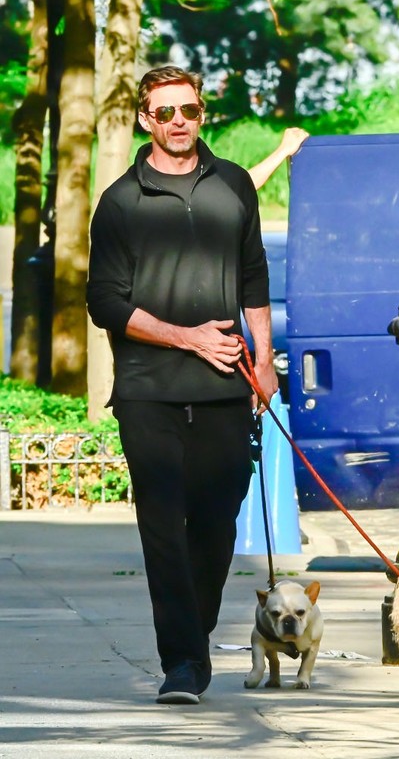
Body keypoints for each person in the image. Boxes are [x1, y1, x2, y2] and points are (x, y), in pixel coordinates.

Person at [87, 65, 278, 705]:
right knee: (164, 527)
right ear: (146, 118)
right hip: (149, 391)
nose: (177, 122)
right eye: (164, 112)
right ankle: (184, 663)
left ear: (201, 114)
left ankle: (192, 640)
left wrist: (265, 360)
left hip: (227, 385)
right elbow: (105, 302)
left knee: (218, 523)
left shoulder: (234, 184)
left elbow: (253, 277)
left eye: (188, 110)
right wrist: (188, 337)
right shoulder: (121, 201)